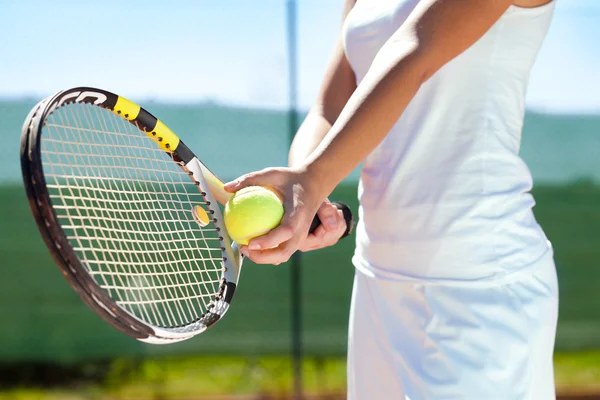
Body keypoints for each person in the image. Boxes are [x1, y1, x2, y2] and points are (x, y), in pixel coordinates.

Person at [225, 0, 558, 398]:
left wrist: (312, 180)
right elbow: (329, 108)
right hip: (376, 278)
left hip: (478, 284)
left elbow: (414, 50)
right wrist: (310, 193)